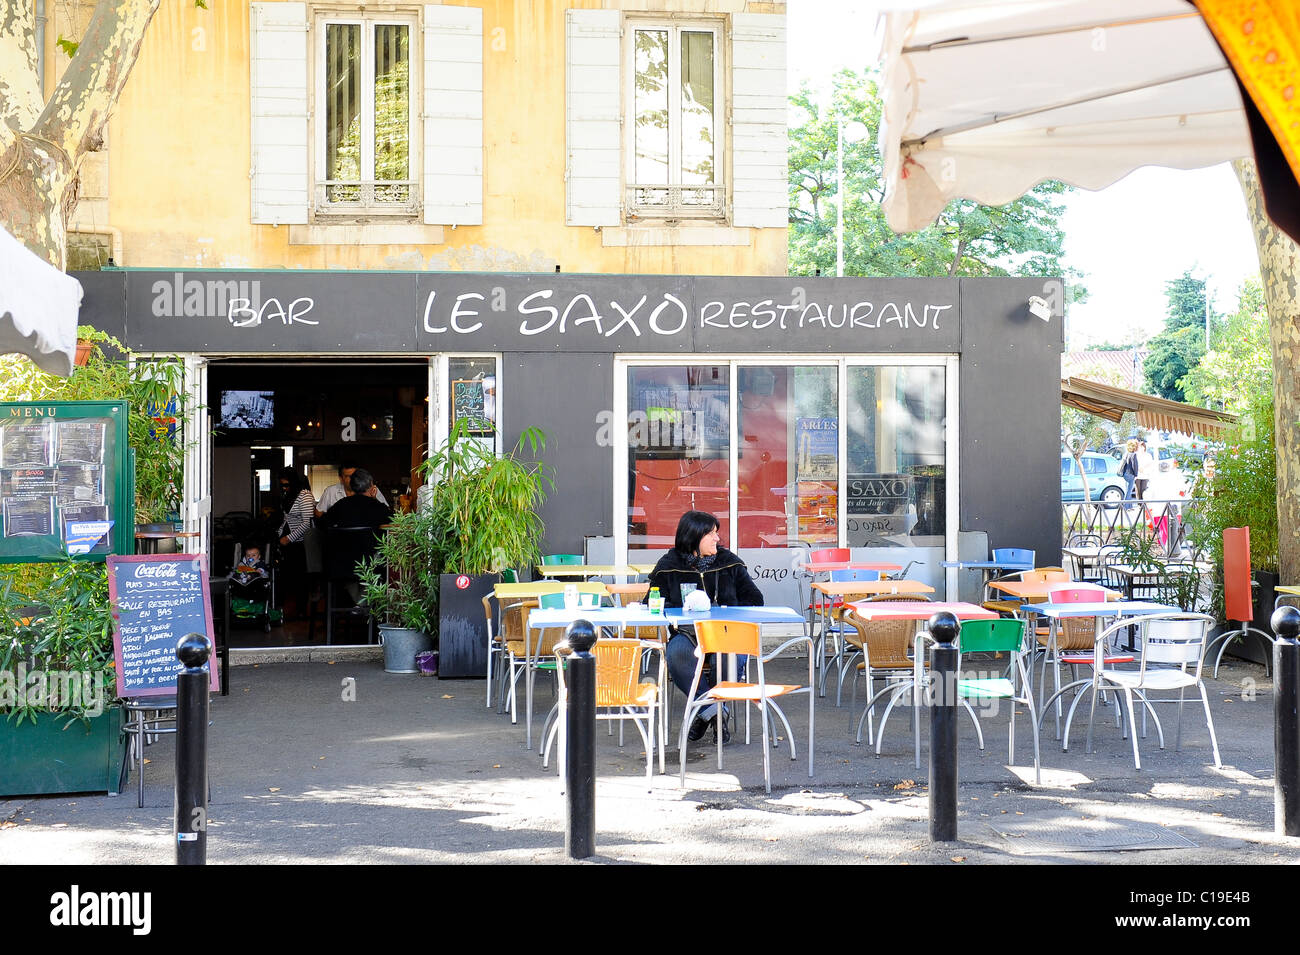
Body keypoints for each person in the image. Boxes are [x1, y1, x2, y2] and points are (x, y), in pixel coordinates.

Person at [648, 510, 764, 744]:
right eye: (711, 534)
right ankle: (714, 711)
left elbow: (755, 599)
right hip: (688, 634)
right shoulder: (669, 565)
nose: (717, 539)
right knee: (676, 654)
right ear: (694, 536)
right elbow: (651, 602)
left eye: (716, 534)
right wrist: (682, 608)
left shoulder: (729, 562)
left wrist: (724, 608)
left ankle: (704, 712)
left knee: (731, 655)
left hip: (726, 632)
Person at [319, 468, 392, 604]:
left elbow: (322, 525)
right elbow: (393, 525)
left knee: (350, 574)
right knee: (383, 562)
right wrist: (375, 499)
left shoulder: (340, 505)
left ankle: (359, 603)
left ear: (352, 486)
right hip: (370, 566)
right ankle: (364, 604)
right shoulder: (378, 507)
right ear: (371, 486)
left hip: (339, 566)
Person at [276, 468, 316, 619]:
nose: (284, 488)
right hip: (289, 542)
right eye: (282, 486)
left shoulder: (304, 496)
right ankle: (287, 611)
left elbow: (307, 523)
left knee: (301, 579)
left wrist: (289, 538)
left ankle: (300, 611)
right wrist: (280, 533)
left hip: (301, 544)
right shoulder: (290, 495)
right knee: (289, 578)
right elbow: (287, 519)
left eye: (286, 485)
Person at [316, 461, 388, 517]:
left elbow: (386, 513)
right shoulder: (331, 492)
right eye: (348, 476)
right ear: (341, 478)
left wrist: (374, 499)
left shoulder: (371, 489)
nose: (353, 479)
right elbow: (319, 513)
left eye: (355, 475)